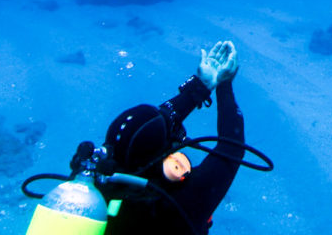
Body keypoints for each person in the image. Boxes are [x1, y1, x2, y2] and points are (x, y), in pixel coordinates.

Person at [100, 40, 243, 234]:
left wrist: (200, 87)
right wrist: (224, 85)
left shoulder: (101, 178)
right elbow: (232, 147)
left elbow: (157, 122)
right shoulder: (181, 201)